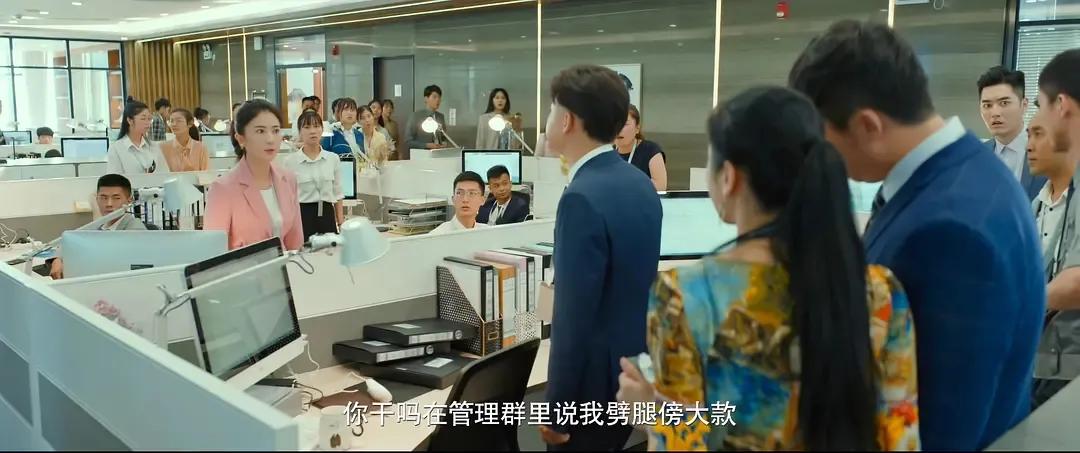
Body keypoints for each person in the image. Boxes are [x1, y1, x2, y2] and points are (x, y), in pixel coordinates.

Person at [617, 86, 919, 451]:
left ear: (729, 177)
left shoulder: (685, 295)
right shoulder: (881, 291)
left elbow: (681, 446)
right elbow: (901, 438)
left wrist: (651, 413)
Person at [789, 20, 1044, 450]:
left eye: (823, 140)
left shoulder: (950, 231)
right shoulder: (972, 175)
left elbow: (938, 429)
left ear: (868, 127)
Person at [537, 64, 662, 451]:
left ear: (567, 120)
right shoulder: (640, 182)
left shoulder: (581, 197)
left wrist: (556, 411)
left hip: (587, 394)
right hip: (628, 377)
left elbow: (573, 314)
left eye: (552, 109)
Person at [1033, 48, 1080, 408]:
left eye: (1040, 105)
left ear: (1061, 105)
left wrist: (1016, 301)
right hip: (1055, 362)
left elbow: (1077, 283)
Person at [204, 99, 303, 251]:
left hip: (285, 265)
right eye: (260, 131)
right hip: (243, 266)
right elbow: (212, 251)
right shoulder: (223, 189)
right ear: (241, 139)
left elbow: (295, 243)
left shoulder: (288, 180)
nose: (270, 139)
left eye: (275, 130)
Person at [48, 174, 149, 279]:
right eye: (103, 198)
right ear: (97, 199)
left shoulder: (135, 229)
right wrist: (57, 259)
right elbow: (71, 242)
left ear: (129, 201)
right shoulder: (100, 225)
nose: (109, 204)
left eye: (116, 198)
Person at [979, 66, 1045, 200]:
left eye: (1004, 103)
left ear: (1024, 105)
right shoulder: (977, 156)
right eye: (987, 105)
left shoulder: (1048, 153)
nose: (995, 113)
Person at [282, 110, 344, 241]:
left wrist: (341, 223)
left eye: (316, 126)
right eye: (307, 127)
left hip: (327, 214)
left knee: (330, 252)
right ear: (300, 132)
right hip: (302, 216)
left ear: (322, 129)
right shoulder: (290, 162)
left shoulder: (333, 158)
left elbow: (338, 194)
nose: (312, 131)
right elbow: (287, 199)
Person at [107, 100, 169, 174]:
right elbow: (114, 177)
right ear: (130, 120)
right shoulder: (116, 148)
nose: (148, 123)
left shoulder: (153, 146)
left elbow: (163, 173)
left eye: (149, 119)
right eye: (143, 119)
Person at [615, 105, 667, 191]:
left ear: (637, 128)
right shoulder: (607, 153)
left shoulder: (651, 150)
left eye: (625, 124)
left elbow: (660, 186)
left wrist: (629, 182)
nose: (618, 129)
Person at [405, 85, 449, 159]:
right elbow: (408, 141)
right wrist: (427, 145)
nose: (438, 100)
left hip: (438, 156)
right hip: (421, 157)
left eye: (439, 97)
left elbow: (444, 137)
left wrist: (444, 143)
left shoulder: (440, 117)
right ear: (426, 99)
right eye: (434, 97)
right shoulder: (416, 116)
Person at [160, 108, 210, 172]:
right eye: (171, 121)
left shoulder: (201, 147)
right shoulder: (163, 147)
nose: (174, 124)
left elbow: (206, 174)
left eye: (179, 121)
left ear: (190, 123)